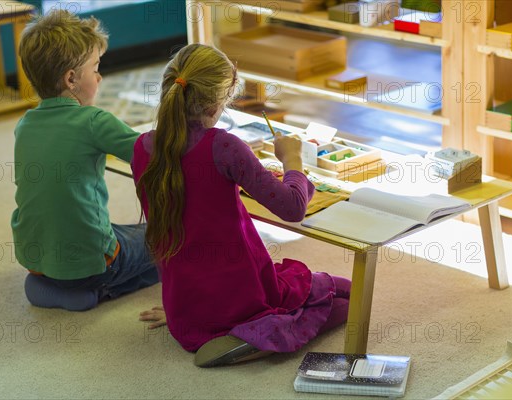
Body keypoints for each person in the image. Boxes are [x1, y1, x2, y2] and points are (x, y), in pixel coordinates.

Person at [132, 43, 352, 367]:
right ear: (218, 103)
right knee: (350, 294)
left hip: (184, 309)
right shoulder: (223, 146)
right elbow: (293, 208)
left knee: (324, 290)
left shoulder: (142, 148)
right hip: (242, 295)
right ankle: (256, 337)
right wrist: (292, 159)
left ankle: (238, 333)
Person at [11, 10, 160, 312]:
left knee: (119, 229)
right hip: (90, 264)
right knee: (168, 240)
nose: (100, 76)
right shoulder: (93, 120)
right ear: (71, 79)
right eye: (95, 68)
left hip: (34, 258)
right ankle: (95, 291)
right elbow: (149, 151)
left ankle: (47, 285)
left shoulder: (25, 124)